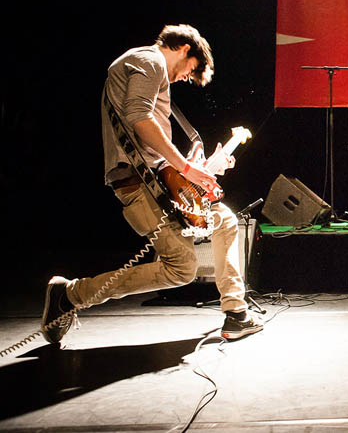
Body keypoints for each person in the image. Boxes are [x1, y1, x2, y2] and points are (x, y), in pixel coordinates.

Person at [41, 24, 264, 344]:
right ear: (187, 50)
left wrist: (197, 167)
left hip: (152, 180)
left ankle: (236, 313)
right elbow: (140, 120)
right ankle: (70, 295)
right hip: (139, 184)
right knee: (181, 269)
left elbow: (150, 145)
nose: (184, 78)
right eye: (190, 72)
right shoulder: (151, 62)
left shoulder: (146, 66)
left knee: (224, 221)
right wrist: (185, 166)